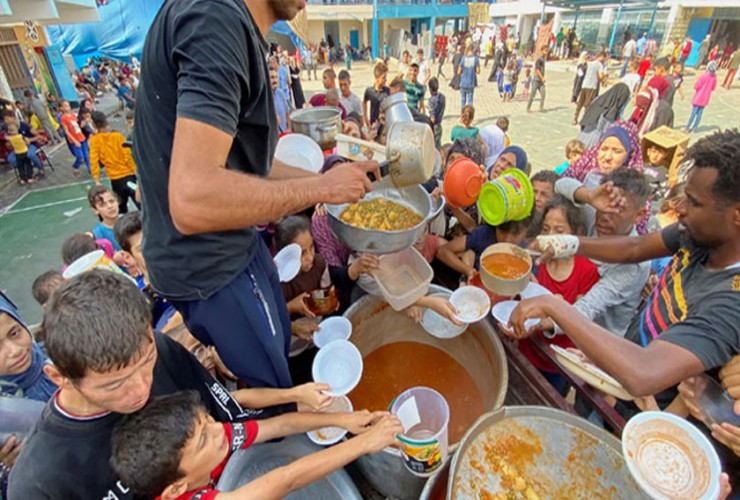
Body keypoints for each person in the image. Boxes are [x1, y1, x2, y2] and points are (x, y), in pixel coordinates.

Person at [134, 0, 379, 390]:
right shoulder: (215, 20)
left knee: (276, 353)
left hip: (231, 250)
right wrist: (321, 188)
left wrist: (327, 176)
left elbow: (249, 165)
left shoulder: (233, 25)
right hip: (211, 267)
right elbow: (193, 198)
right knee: (273, 392)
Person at [510, 131, 740, 480]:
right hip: (615, 376)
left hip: (656, 428)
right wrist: (569, 242)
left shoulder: (731, 300)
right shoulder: (698, 235)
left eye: (693, 202)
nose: (679, 209)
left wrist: (556, 308)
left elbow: (644, 373)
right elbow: (633, 248)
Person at [6, 270, 283, 499]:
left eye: (147, 361)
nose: (142, 389)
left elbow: (225, 417)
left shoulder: (160, 349)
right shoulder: (37, 483)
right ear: (60, 378)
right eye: (115, 384)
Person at [111, 391, 401, 500]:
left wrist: (343, 420)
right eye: (204, 441)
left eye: (208, 421)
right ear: (176, 489)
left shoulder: (216, 434)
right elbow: (286, 480)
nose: (218, 430)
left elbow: (279, 426)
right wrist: (363, 443)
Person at [518, 196, 600, 393]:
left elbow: (578, 321)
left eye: (560, 231)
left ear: (576, 234)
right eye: (546, 230)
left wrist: (553, 310)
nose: (550, 237)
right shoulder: (535, 259)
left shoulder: (586, 271)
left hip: (558, 364)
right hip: (525, 350)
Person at [437, 214, 534, 282]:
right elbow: (442, 251)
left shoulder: (528, 251)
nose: (507, 239)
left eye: (515, 234)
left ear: (526, 231)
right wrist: (468, 271)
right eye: (502, 231)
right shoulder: (484, 234)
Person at [89, 111, 139, 214]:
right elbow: (127, 156)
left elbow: (93, 161)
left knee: (121, 209)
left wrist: (97, 180)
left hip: (115, 180)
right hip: (129, 177)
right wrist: (135, 170)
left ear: (93, 124)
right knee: (142, 204)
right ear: (107, 122)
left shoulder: (94, 141)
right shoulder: (117, 136)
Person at [577, 82, 631, 149]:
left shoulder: (598, 100)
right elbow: (605, 131)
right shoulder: (610, 112)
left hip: (582, 136)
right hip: (594, 142)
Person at [574, 51, 607, 124]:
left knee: (580, 102)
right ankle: (584, 120)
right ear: (602, 57)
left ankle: (575, 118)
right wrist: (605, 76)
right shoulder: (599, 65)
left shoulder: (590, 63)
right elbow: (600, 76)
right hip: (592, 86)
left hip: (585, 84)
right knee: (588, 104)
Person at [685, 61, 718, 134]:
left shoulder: (704, 76)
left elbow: (697, 85)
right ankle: (695, 128)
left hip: (699, 97)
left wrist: (697, 88)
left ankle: (687, 127)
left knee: (693, 113)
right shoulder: (714, 78)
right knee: (699, 114)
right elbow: (713, 88)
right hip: (705, 98)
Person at [88, 185, 123, 252]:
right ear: (95, 210)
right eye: (102, 205)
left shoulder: (131, 221)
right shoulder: (97, 234)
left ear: (117, 201)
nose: (109, 206)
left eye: (112, 201)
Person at [59, 100, 90, 175]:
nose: (68, 108)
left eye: (68, 106)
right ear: (61, 108)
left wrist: (85, 122)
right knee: (80, 156)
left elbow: (78, 126)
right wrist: (74, 140)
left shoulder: (73, 115)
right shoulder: (63, 118)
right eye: (65, 106)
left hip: (81, 137)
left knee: (86, 155)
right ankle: (75, 166)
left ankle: (90, 170)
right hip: (74, 140)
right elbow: (67, 131)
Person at [363, 62, 389, 129]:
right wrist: (366, 119)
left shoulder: (387, 91)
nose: (385, 79)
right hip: (373, 125)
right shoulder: (369, 91)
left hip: (384, 125)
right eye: (383, 77)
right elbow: (364, 102)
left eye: (386, 77)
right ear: (377, 78)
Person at [526, 47, 548, 113]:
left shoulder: (543, 59)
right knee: (532, 94)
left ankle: (541, 107)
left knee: (543, 93)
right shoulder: (539, 60)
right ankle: (528, 108)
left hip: (540, 81)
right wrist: (542, 78)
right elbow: (537, 70)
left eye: (547, 50)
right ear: (542, 51)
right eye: (545, 50)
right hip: (536, 80)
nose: (547, 52)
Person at [428, 77, 446, 149]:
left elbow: (433, 118)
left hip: (434, 127)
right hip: (439, 125)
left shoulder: (431, 100)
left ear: (430, 89)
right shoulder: (442, 96)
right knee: (438, 145)